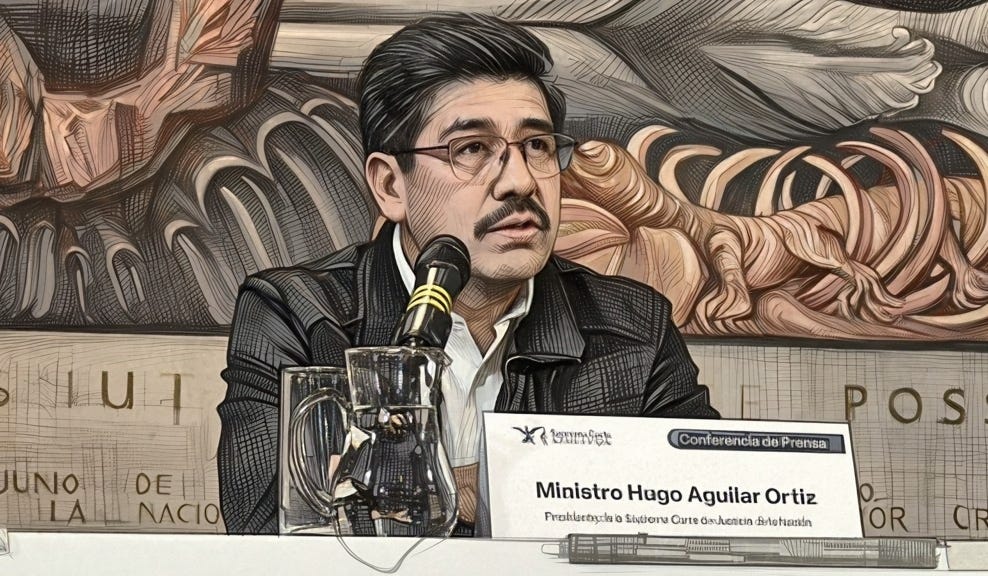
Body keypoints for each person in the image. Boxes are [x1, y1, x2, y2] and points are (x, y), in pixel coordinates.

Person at [216, 12, 719, 536]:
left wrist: (469, 489)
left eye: (537, 146)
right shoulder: (296, 312)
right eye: (472, 149)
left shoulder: (635, 325)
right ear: (390, 186)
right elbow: (267, 525)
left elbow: (702, 506)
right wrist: (529, 491)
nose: (520, 181)